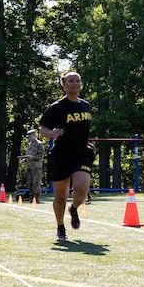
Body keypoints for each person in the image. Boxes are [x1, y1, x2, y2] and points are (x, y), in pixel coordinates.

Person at [39, 71, 94, 242]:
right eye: (71, 81)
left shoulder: (86, 105)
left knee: (82, 188)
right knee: (61, 196)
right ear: (63, 84)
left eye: (77, 81)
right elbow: (43, 128)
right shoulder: (57, 107)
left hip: (81, 154)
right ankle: (60, 226)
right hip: (61, 155)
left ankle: (75, 208)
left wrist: (88, 142)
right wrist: (52, 133)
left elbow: (82, 129)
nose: (75, 84)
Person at [21, 129, 45, 202]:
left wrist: (32, 158)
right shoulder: (29, 144)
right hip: (29, 167)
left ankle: (36, 198)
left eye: (30, 136)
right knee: (30, 183)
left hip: (36, 167)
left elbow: (40, 156)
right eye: (28, 137)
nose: (29, 138)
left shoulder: (39, 144)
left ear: (35, 135)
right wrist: (24, 160)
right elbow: (28, 155)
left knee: (36, 183)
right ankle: (31, 197)